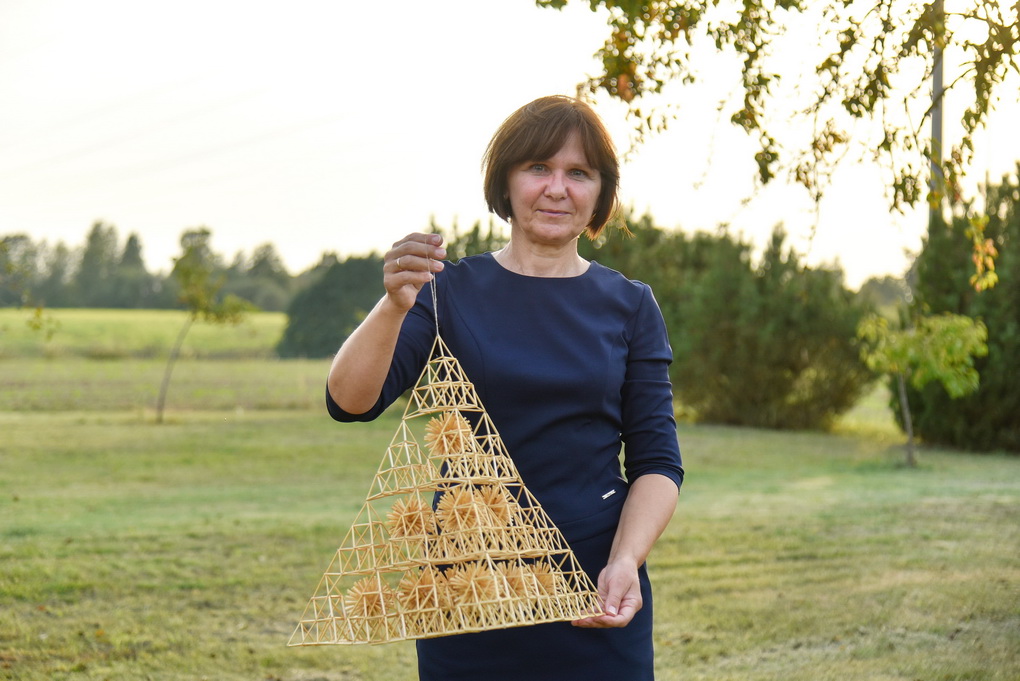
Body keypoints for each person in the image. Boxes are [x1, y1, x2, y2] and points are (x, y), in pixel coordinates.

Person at [326, 94, 684, 680]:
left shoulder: (629, 305)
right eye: (538, 167)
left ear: (600, 192)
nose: (557, 188)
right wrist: (392, 307)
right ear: (507, 180)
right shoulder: (446, 291)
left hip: (592, 591)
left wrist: (625, 560)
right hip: (467, 592)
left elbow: (658, 463)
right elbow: (349, 403)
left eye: (579, 173)